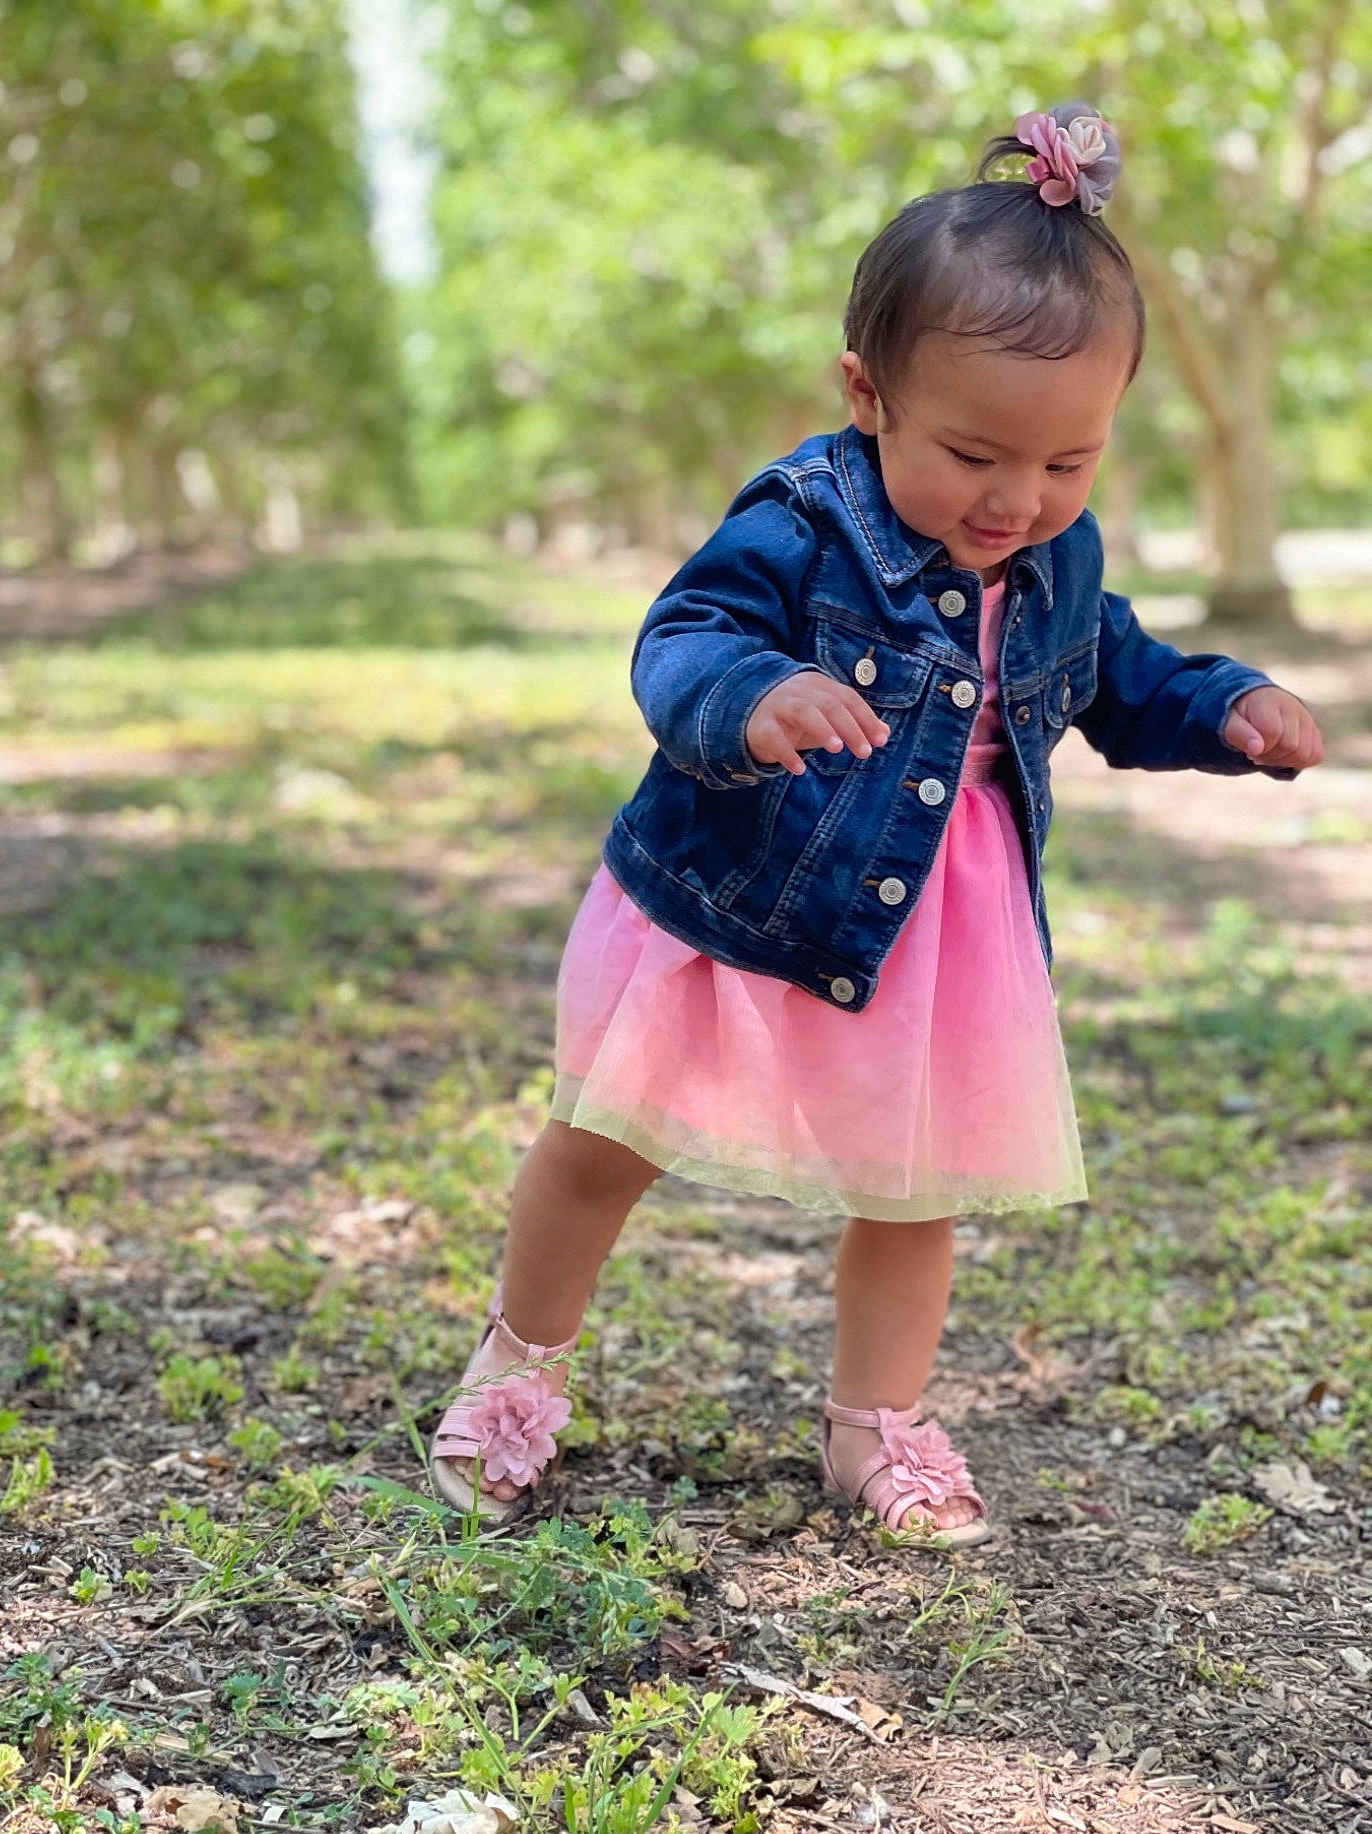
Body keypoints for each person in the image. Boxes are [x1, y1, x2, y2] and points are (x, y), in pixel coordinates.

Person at [426, 103, 1324, 1544]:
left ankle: (874, 1425)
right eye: (975, 453)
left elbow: (1118, 671)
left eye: (1069, 464)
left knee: (916, 1189)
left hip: (946, 930)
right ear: (868, 393)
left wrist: (1224, 707)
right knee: (605, 1138)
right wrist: (754, 695)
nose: (1018, 500)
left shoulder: (1058, 552)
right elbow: (686, 635)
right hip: (743, 884)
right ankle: (519, 1365)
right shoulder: (804, 517)